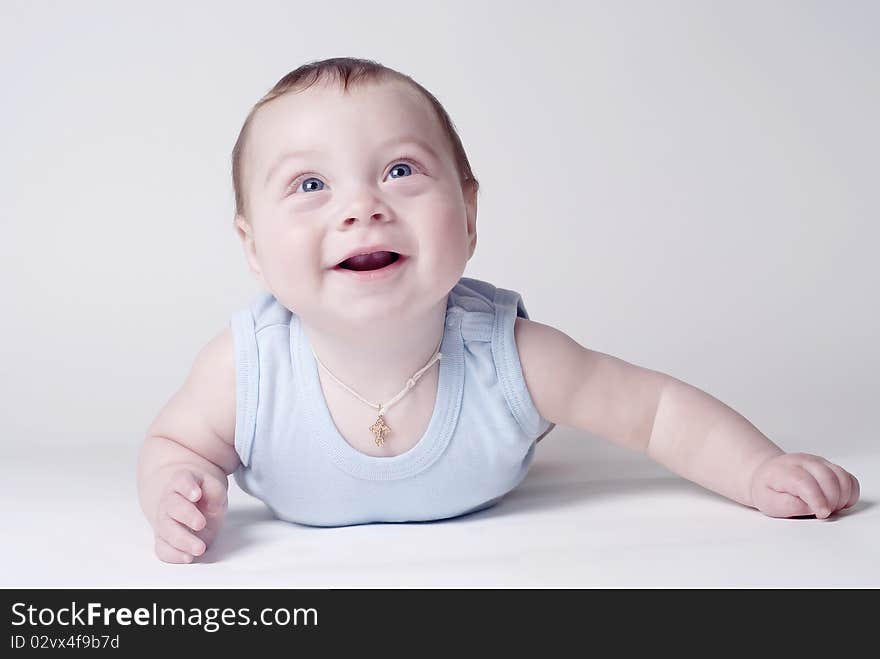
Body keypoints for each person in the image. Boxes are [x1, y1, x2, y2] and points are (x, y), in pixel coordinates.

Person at [136, 57, 860, 564]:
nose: (362, 207)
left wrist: (760, 468)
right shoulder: (247, 367)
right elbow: (176, 443)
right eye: (309, 184)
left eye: (400, 170)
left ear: (469, 211)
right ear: (253, 247)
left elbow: (656, 410)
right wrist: (178, 487)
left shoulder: (506, 353)